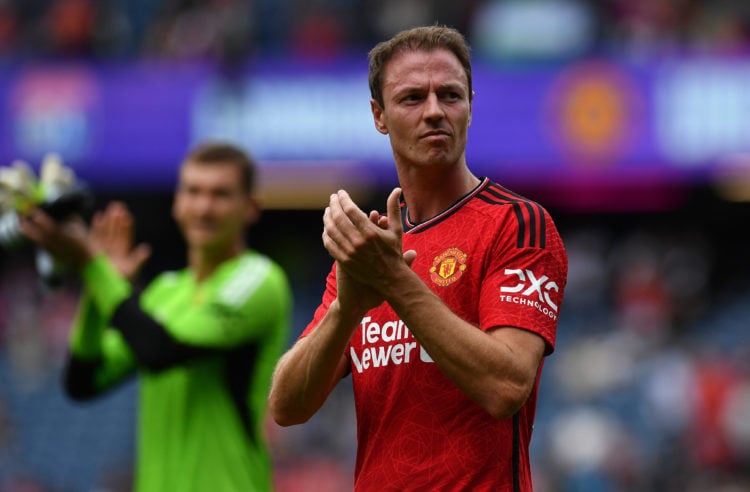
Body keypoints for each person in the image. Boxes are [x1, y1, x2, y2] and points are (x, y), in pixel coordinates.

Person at [268, 25, 568, 491]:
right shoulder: (371, 251)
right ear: (379, 115)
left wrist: (394, 282)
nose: (434, 111)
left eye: (450, 95)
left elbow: (506, 387)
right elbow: (287, 407)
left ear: (470, 105)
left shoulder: (516, 224)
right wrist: (348, 307)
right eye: (411, 98)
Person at [20, 142, 292, 492]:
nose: (204, 207)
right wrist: (97, 281)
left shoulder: (258, 278)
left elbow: (162, 350)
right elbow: (84, 380)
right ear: (177, 203)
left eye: (221, 194)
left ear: (251, 207)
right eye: (193, 191)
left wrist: (92, 263)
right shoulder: (165, 290)